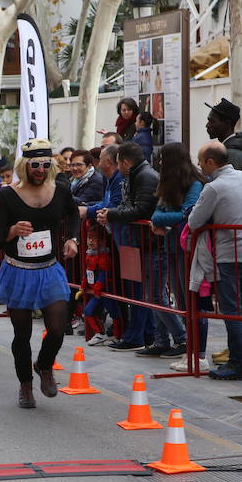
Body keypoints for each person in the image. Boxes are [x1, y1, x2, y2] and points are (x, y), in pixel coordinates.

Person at [0, 139, 79, 408]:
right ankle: (25, 385)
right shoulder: (7, 195)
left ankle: (44, 365)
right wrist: (12, 232)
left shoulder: (60, 190)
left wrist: (73, 239)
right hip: (18, 270)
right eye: (34, 164)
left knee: (58, 328)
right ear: (24, 165)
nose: (40, 169)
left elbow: (73, 215)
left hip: (49, 269)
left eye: (45, 164)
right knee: (22, 333)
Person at [188, 141, 242, 380]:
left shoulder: (214, 188)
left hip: (229, 253)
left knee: (231, 309)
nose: (199, 166)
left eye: (201, 161)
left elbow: (194, 221)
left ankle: (239, 362)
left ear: (211, 161)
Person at [150, 143, 208, 370]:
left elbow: (187, 213)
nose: (160, 163)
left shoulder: (195, 184)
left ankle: (199, 355)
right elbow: (158, 212)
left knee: (193, 303)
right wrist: (163, 219)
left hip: (189, 251)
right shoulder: (168, 185)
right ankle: (190, 352)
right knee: (183, 303)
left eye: (163, 159)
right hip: (173, 249)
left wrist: (161, 220)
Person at [97, 143, 159, 352]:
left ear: (124, 162)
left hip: (143, 242)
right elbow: (127, 204)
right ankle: (145, 334)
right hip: (133, 240)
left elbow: (140, 209)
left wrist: (111, 214)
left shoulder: (145, 177)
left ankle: (140, 335)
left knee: (140, 292)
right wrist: (111, 212)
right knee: (136, 291)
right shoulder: (134, 176)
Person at [80, 224, 121, 346]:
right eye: (89, 238)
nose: (90, 241)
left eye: (94, 238)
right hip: (96, 292)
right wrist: (85, 282)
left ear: (102, 241)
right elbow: (89, 270)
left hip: (106, 291)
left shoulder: (103, 256)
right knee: (88, 310)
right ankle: (100, 333)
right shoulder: (90, 254)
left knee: (114, 313)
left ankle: (118, 335)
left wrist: (99, 285)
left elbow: (105, 272)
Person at [205, 98, 242, 178]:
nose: (207, 125)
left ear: (227, 123)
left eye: (212, 121)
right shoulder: (233, 149)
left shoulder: (231, 154)